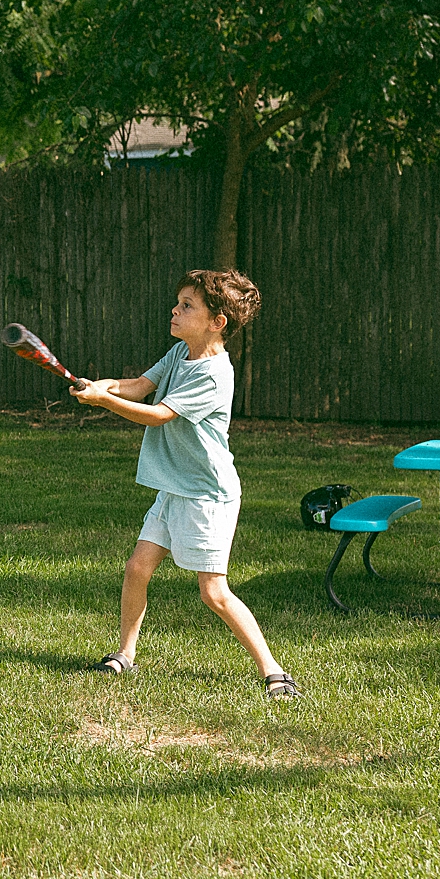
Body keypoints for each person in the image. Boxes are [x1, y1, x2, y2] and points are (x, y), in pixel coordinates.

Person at [71, 270, 300, 699]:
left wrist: (105, 402)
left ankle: (274, 671)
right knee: (138, 568)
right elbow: (140, 386)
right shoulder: (180, 353)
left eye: (187, 305)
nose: (175, 310)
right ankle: (124, 654)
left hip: (206, 495)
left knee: (213, 592)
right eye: (178, 302)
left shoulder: (214, 374)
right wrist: (106, 385)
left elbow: (158, 414)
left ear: (218, 322)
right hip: (175, 486)